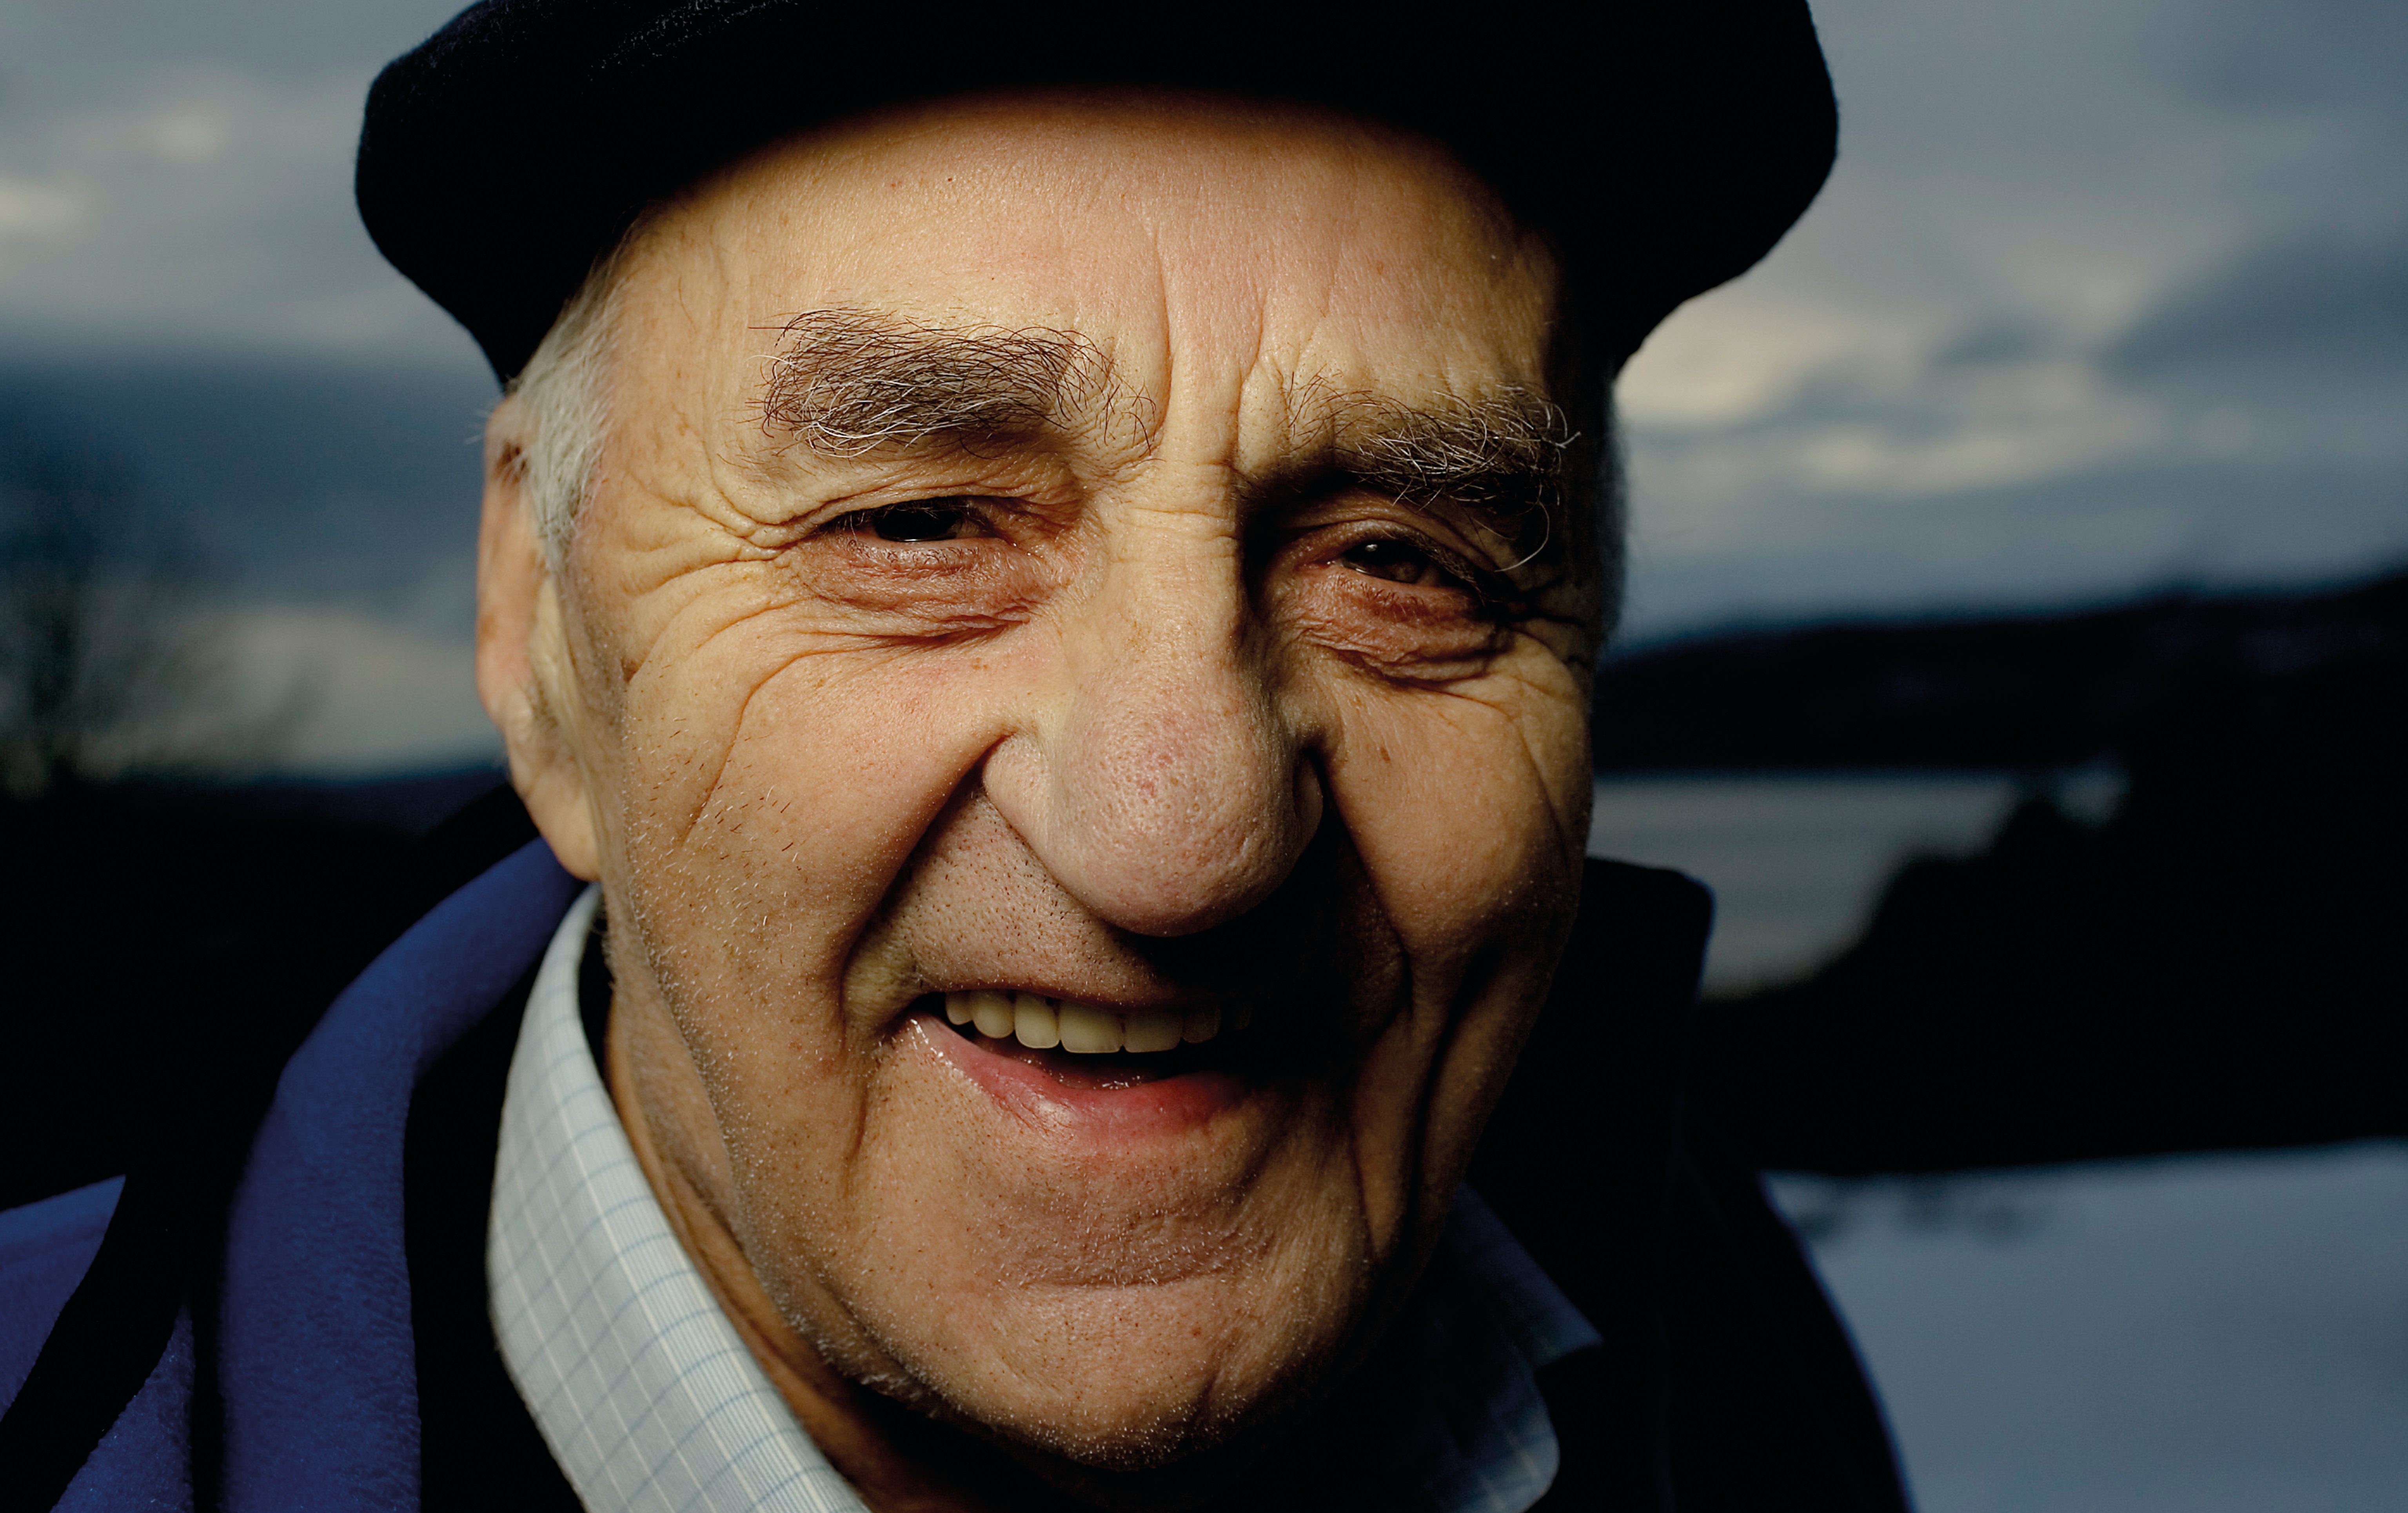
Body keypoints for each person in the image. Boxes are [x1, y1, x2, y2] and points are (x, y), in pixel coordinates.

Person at [0, 4, 1908, 1509]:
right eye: (919, 525)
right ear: (541, 629)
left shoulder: (1704, 1333)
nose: (1187, 836)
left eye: (1400, 563)